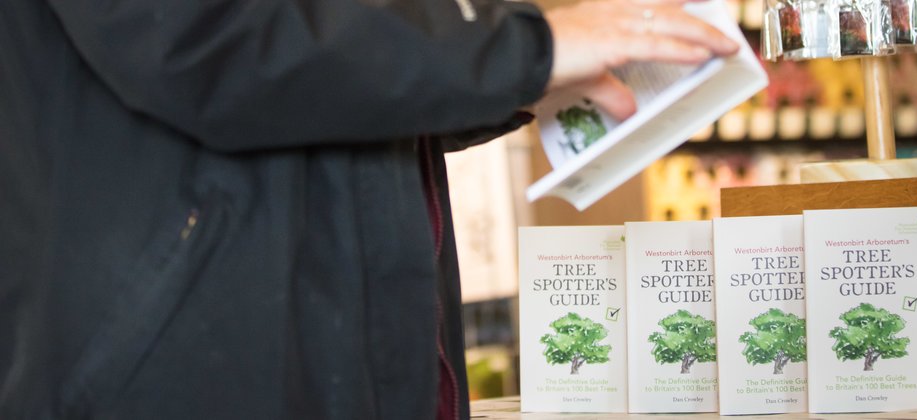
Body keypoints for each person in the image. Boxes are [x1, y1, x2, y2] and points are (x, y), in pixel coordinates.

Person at [0, 0, 737, 417]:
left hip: (350, 347)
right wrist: (515, 49)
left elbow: (345, 60)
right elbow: (203, 39)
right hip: (190, 360)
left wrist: (519, 74)